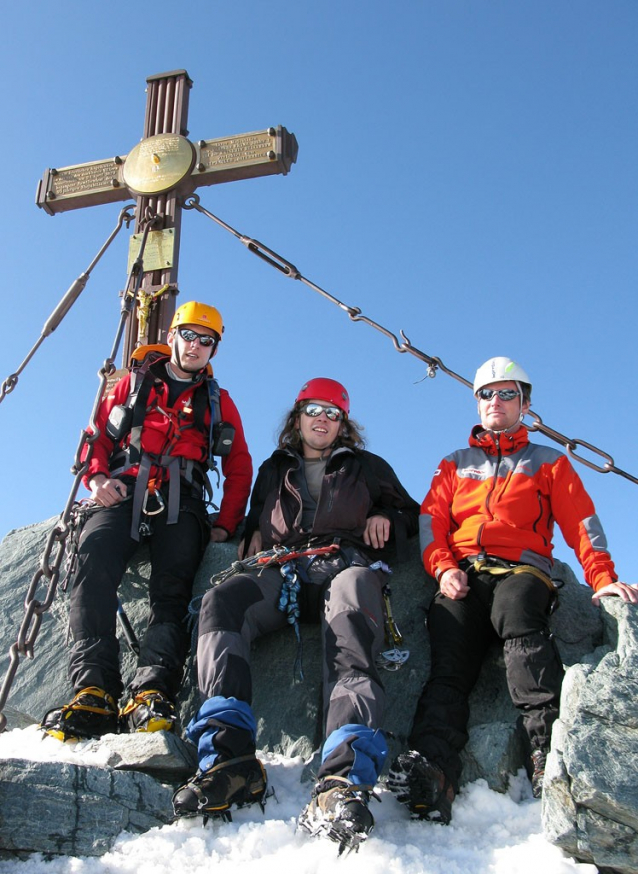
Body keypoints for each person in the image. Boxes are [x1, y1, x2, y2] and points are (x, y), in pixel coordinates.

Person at [171, 377, 420, 853]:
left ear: (343, 425)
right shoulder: (274, 468)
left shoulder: (367, 466)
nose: (322, 419)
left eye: (333, 412)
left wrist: (386, 518)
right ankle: (229, 759)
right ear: (298, 417)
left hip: (345, 565)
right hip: (283, 570)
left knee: (351, 605)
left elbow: (408, 511)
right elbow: (256, 516)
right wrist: (248, 539)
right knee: (220, 603)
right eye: (314, 410)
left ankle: (342, 780)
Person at [387, 356, 637, 825]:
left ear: (525, 404)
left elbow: (581, 522)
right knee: (449, 659)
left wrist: (602, 578)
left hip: (523, 570)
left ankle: (546, 752)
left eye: (507, 394)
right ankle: (432, 768)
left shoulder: (548, 461)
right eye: (487, 393)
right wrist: (442, 569)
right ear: (476, 403)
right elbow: (432, 521)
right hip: (464, 572)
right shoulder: (453, 464)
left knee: (520, 621)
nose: (496, 401)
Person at [42, 301, 252, 742]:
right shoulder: (131, 384)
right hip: (121, 493)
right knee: (91, 568)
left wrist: (226, 524)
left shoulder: (219, 402)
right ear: (172, 336)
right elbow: (95, 436)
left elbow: (240, 465)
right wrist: (97, 479)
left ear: (215, 349)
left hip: (184, 501)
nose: (196, 346)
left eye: (207, 340)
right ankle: (93, 687)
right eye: (189, 335)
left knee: (172, 590)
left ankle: (152, 690)